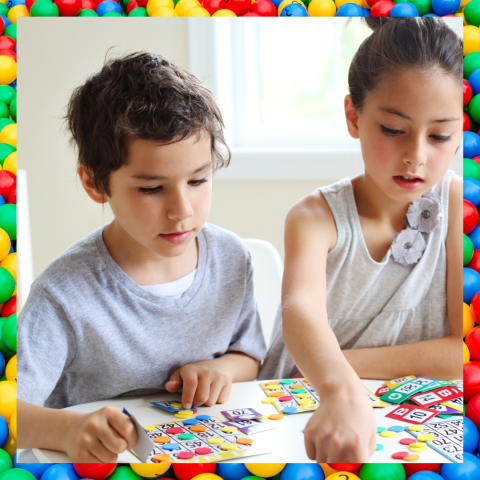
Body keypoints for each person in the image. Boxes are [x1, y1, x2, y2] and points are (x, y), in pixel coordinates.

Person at [17, 52, 266, 462]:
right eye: (152, 188)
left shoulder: (231, 258)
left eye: (199, 179)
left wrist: (221, 371)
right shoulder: (62, 294)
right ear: (95, 183)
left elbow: (251, 356)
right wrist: (69, 430)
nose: (182, 209)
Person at [260, 18, 463, 463]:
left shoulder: (461, 206)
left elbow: (458, 351)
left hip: (400, 421)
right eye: (393, 129)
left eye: (441, 135)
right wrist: (335, 388)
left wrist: (343, 369)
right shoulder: (314, 217)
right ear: (354, 116)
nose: (417, 155)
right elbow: (301, 311)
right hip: (293, 415)